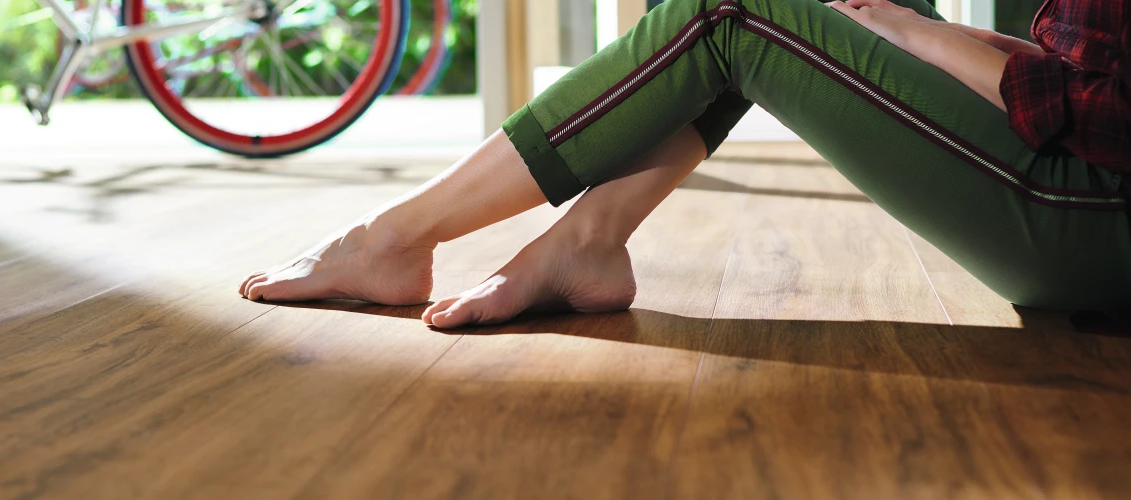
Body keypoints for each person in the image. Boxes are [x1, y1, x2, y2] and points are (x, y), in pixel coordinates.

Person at [239, 0, 1130, 329]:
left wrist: (917, 34)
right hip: (1087, 197)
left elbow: (1109, 119)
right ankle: (585, 244)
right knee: (812, 11)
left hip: (1088, 217)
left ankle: (391, 239)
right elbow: (1091, 70)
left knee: (730, 12)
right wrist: (941, 34)